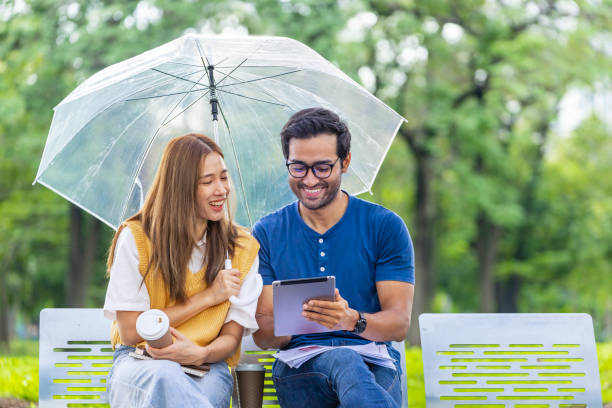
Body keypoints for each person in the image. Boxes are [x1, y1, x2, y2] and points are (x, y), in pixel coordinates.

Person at [252, 108, 415, 408]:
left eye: (323, 167)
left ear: (346, 161)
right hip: (300, 369)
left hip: (374, 362)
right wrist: (293, 321)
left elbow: (398, 324)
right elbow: (263, 335)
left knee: (351, 364)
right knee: (342, 359)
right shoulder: (267, 233)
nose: (310, 179)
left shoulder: (385, 227)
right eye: (298, 167)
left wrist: (352, 320)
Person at [103, 133, 260, 408]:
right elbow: (130, 331)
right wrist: (209, 297)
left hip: (208, 367)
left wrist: (200, 353)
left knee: (198, 392)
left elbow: (232, 338)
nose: (222, 189)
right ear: (180, 187)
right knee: (164, 375)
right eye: (208, 181)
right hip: (140, 361)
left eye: (223, 177)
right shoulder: (137, 238)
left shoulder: (242, 248)